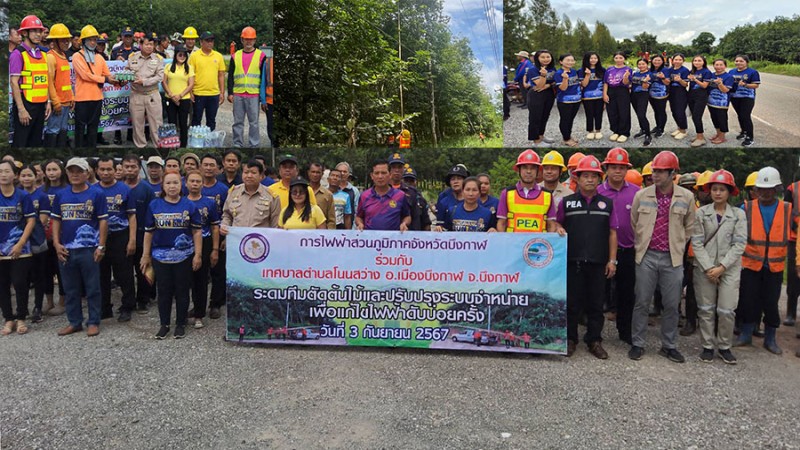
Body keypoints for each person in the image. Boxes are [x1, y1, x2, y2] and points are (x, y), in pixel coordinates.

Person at [629, 151, 695, 363]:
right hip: (647, 255)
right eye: (654, 171)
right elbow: (635, 222)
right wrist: (643, 244)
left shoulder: (686, 197)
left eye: (660, 171)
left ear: (672, 173)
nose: (655, 175)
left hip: (672, 259)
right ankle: (638, 343)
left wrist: (676, 244)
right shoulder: (642, 195)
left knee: (672, 303)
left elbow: (689, 227)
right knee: (641, 301)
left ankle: (669, 345)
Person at [556, 155, 617, 359]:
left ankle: (594, 340)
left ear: (600, 179)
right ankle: (571, 339)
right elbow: (555, 225)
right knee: (572, 303)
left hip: (598, 262)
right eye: (585, 176)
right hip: (572, 262)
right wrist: (558, 228)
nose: (590, 179)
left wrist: (612, 260)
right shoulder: (567, 202)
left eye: (594, 176)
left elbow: (612, 233)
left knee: (595, 304)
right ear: (577, 178)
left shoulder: (607, 204)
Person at [690, 170, 746, 364]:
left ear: (729, 192)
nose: (718, 193)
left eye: (722, 189)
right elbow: (696, 242)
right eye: (714, 189)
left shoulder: (738, 215)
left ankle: (724, 346)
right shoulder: (701, 213)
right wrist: (708, 268)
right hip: (705, 268)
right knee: (705, 308)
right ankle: (707, 345)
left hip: (728, 269)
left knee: (726, 310)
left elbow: (739, 244)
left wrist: (721, 267)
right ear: (709, 191)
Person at [50, 158, 109, 337]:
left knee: (92, 288)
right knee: (70, 288)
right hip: (66, 248)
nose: (75, 174)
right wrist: (56, 243)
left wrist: (101, 246)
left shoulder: (97, 194)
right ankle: (74, 322)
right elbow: (56, 220)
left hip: (89, 248)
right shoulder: (61, 195)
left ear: (87, 173)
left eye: (79, 171)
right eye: (71, 171)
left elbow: (103, 220)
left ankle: (93, 321)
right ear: (67, 173)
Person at [141, 170, 202, 340]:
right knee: (164, 291)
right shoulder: (154, 205)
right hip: (160, 256)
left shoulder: (189, 205)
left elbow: (197, 232)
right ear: (163, 186)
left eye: (175, 182)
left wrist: (198, 254)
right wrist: (145, 255)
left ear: (181, 185)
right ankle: (164, 324)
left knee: (182, 290)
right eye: (168, 183)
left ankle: (180, 324)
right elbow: (148, 232)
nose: (172, 186)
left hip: (184, 256)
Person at [735, 167, 790, 355]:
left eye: (769, 188)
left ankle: (770, 338)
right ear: (756, 190)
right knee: (749, 300)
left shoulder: (787, 209)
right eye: (761, 189)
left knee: (771, 303)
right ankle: (746, 334)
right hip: (751, 265)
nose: (765, 193)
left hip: (774, 267)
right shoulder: (746, 208)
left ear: (777, 189)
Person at [598, 148, 639, 344]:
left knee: (627, 292)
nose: (617, 172)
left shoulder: (636, 192)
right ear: (606, 168)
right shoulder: (597, 192)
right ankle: (595, 333)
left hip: (629, 249)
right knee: (598, 292)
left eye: (622, 168)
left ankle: (625, 331)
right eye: (614, 167)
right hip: (602, 250)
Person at [95, 157, 137, 322]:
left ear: (115, 170)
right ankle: (105, 308)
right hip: (99, 239)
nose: (105, 173)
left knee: (124, 274)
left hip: (120, 236)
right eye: (102, 169)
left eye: (109, 169)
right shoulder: (93, 190)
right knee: (101, 274)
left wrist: (132, 239)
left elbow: (132, 215)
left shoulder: (124, 189)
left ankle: (127, 306)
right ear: (97, 171)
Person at [0, 161, 36, 336]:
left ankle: (21, 317)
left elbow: (30, 220)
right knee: (2, 284)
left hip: (20, 246)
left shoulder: (22, 196)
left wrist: (20, 243)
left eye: (7, 171)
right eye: (0, 171)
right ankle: (8, 318)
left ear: (15, 175)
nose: (3, 174)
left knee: (20, 283)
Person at [72, 25, 121, 148]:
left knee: (93, 129)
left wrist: (118, 81)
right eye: (90, 39)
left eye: (95, 39)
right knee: (80, 129)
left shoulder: (99, 57)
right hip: (82, 99)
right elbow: (85, 75)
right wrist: (104, 79)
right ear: (83, 41)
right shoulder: (77, 56)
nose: (93, 42)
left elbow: (107, 75)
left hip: (97, 98)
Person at [184, 170, 220, 329]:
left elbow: (214, 227)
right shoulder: (181, 202)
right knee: (184, 281)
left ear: (202, 184)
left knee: (201, 280)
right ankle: (182, 313)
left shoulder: (209, 203)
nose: (195, 184)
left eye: (198, 181)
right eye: (192, 181)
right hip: (185, 244)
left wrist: (215, 249)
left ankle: (199, 314)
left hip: (205, 242)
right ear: (186, 183)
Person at [496, 150, 562, 234]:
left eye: (532, 168)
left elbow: (550, 225)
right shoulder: (507, 193)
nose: (528, 171)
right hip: (513, 245)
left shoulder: (547, 195)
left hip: (538, 245)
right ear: (518, 170)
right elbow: (501, 223)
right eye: (524, 167)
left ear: (538, 171)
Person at [122, 154, 156, 313]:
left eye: (133, 166)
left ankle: (144, 299)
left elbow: (152, 212)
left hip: (143, 235)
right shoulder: (118, 187)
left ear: (139, 168)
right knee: (124, 271)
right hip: (122, 236)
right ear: (122, 168)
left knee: (143, 268)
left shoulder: (146, 189)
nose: (130, 169)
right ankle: (128, 300)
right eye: (127, 166)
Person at [10, 15, 50, 148]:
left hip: (40, 106)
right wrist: (21, 109)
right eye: (34, 31)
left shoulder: (43, 54)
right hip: (25, 104)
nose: (38, 34)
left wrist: (48, 102)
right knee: (21, 143)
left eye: (39, 31)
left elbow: (46, 80)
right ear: (25, 33)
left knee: (36, 142)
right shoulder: (18, 54)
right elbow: (14, 82)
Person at [199, 154, 229, 320]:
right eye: (206, 164)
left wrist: (224, 238)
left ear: (218, 168)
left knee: (218, 271)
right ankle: (198, 305)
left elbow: (228, 214)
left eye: (212, 165)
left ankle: (215, 304)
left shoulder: (223, 190)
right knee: (199, 273)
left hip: (218, 235)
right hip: (198, 237)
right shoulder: (193, 186)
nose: (209, 168)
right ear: (200, 167)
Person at [36, 160, 67, 316]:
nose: (51, 172)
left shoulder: (67, 189)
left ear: (61, 170)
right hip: (43, 237)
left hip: (62, 237)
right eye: (48, 169)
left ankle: (62, 301)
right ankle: (49, 302)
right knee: (45, 271)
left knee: (61, 270)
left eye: (55, 169)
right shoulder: (41, 191)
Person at [18, 164, 48, 323]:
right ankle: (21, 308)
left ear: (36, 176)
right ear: (18, 177)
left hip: (37, 239)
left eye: (29, 175)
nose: (26, 178)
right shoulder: (15, 194)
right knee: (22, 277)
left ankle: (38, 307)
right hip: (18, 241)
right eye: (23, 175)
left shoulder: (41, 196)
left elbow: (42, 219)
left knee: (38, 276)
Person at [221, 160, 281, 233]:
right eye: (246, 172)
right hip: (237, 239)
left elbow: (275, 224)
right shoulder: (233, 192)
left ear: (261, 176)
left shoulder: (271, 196)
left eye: (253, 173)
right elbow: (227, 215)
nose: (249, 176)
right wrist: (224, 225)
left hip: (261, 240)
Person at [228, 27, 265, 147]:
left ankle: (254, 144)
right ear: (242, 40)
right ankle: (237, 143)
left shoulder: (261, 56)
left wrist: (263, 96)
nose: (248, 42)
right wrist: (230, 92)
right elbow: (230, 76)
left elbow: (264, 77)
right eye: (246, 39)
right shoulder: (235, 56)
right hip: (238, 94)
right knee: (238, 122)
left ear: (255, 40)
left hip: (254, 94)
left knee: (253, 122)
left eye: (251, 39)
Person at [127, 32, 165, 148]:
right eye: (147, 44)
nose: (149, 47)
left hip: (152, 95)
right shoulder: (132, 57)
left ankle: (159, 148)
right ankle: (140, 147)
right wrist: (125, 77)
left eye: (152, 44)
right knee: (137, 124)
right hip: (136, 95)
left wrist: (144, 81)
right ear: (140, 44)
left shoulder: (158, 58)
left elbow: (160, 77)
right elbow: (127, 71)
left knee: (157, 124)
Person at [356, 160, 411, 231]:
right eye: (376, 173)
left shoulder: (400, 195)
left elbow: (407, 216)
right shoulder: (364, 196)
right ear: (372, 176)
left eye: (384, 173)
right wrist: (360, 224)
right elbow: (358, 217)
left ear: (390, 175)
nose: (380, 176)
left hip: (392, 240)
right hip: (370, 240)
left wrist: (404, 223)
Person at [43, 24, 74, 148]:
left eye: (67, 39)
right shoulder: (51, 57)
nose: (67, 43)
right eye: (63, 40)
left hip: (66, 102)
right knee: (53, 130)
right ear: (54, 41)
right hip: (58, 103)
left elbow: (66, 81)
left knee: (63, 130)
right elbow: (49, 81)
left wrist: (72, 97)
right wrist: (55, 101)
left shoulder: (63, 55)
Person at [189, 31, 226, 131]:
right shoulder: (194, 56)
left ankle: (209, 141)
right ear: (201, 42)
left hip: (213, 94)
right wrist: (190, 91)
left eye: (212, 41)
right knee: (196, 119)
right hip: (198, 93)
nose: (210, 43)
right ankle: (195, 142)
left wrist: (222, 92)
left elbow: (221, 75)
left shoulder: (218, 56)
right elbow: (190, 75)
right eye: (207, 41)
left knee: (211, 120)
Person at [161, 45, 195, 148]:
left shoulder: (189, 68)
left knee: (183, 123)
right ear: (175, 55)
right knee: (172, 123)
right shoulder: (168, 67)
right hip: (170, 98)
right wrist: (171, 95)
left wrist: (180, 95)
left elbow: (191, 84)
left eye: (184, 55)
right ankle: (172, 144)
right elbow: (163, 81)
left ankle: (183, 145)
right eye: (180, 54)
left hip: (184, 99)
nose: (182, 57)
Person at [524, 50, 556, 146]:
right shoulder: (532, 70)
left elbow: (555, 81)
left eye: (548, 57)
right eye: (543, 57)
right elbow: (539, 85)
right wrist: (543, 75)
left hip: (549, 94)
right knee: (535, 117)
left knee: (545, 116)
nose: (546, 59)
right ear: (537, 58)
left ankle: (541, 136)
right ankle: (536, 141)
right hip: (536, 95)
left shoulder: (552, 68)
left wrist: (548, 85)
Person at [729, 55, 761, 147]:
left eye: (741, 61)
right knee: (740, 115)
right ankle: (744, 131)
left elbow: (756, 85)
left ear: (746, 62)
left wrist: (745, 85)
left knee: (745, 116)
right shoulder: (731, 71)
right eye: (737, 61)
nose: (738, 63)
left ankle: (750, 137)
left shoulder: (752, 72)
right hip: (734, 96)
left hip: (747, 97)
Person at [387, 154, 425, 231]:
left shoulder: (412, 192)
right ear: (388, 169)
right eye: (394, 167)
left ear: (403, 169)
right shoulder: (381, 190)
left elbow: (416, 218)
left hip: (406, 236)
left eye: (399, 167)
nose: (396, 170)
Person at [602, 51, 632, 143]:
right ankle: (615, 131)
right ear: (614, 58)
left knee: (624, 112)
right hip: (611, 91)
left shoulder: (628, 69)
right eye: (616, 58)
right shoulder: (609, 69)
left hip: (622, 91)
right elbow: (606, 82)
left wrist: (626, 77)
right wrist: (605, 94)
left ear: (624, 59)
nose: (618, 60)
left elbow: (626, 83)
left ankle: (624, 132)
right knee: (612, 112)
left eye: (621, 58)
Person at [553, 54, 582, 147]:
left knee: (571, 119)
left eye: (572, 60)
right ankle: (566, 139)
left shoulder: (574, 71)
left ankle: (568, 135)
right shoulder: (558, 73)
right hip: (564, 101)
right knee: (565, 120)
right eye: (567, 60)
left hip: (576, 100)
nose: (570, 62)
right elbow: (563, 88)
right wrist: (565, 79)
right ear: (561, 62)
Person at [687, 55, 713, 147]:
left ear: (703, 62)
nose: (697, 62)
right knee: (694, 116)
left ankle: (701, 138)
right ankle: (699, 135)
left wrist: (695, 79)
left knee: (697, 117)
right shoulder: (692, 71)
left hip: (701, 97)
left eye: (699, 60)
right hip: (691, 96)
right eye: (695, 61)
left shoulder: (706, 72)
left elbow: (704, 85)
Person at [580, 52, 605, 140]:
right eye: (591, 58)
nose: (593, 60)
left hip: (600, 96)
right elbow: (583, 84)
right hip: (587, 96)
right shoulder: (581, 70)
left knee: (599, 113)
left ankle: (598, 130)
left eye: (595, 58)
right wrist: (587, 75)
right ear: (587, 59)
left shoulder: (602, 70)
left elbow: (605, 84)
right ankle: (590, 131)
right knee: (589, 114)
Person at [629, 58, 653, 146]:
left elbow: (645, 87)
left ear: (647, 65)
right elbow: (631, 84)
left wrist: (645, 81)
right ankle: (642, 129)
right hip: (633, 95)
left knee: (641, 115)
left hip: (643, 95)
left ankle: (648, 134)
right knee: (637, 114)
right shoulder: (636, 73)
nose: (641, 66)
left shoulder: (649, 74)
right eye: (639, 64)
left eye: (643, 64)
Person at [667, 53, 690, 141]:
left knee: (680, 111)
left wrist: (680, 80)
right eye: (676, 59)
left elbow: (685, 84)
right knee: (674, 111)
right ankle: (679, 128)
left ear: (683, 61)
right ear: (672, 60)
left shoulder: (685, 70)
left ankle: (683, 130)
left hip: (681, 92)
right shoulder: (670, 70)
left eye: (680, 60)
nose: (677, 61)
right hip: (671, 92)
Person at [307, 162, 336, 229]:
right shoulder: (302, 192)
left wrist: (328, 235)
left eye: (318, 172)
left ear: (322, 174)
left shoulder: (328, 195)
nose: (315, 175)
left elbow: (331, 220)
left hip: (320, 235)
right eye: (313, 172)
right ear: (308, 173)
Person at [648, 55, 670, 138]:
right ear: (652, 61)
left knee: (661, 111)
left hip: (662, 94)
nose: (656, 62)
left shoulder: (665, 70)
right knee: (656, 111)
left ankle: (661, 129)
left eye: (659, 60)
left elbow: (667, 82)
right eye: (655, 60)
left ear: (662, 61)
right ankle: (657, 126)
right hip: (651, 93)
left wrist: (663, 77)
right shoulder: (651, 69)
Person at [259, 44, 274, 146]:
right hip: (269, 102)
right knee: (271, 126)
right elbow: (263, 83)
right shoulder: (267, 62)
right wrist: (263, 100)